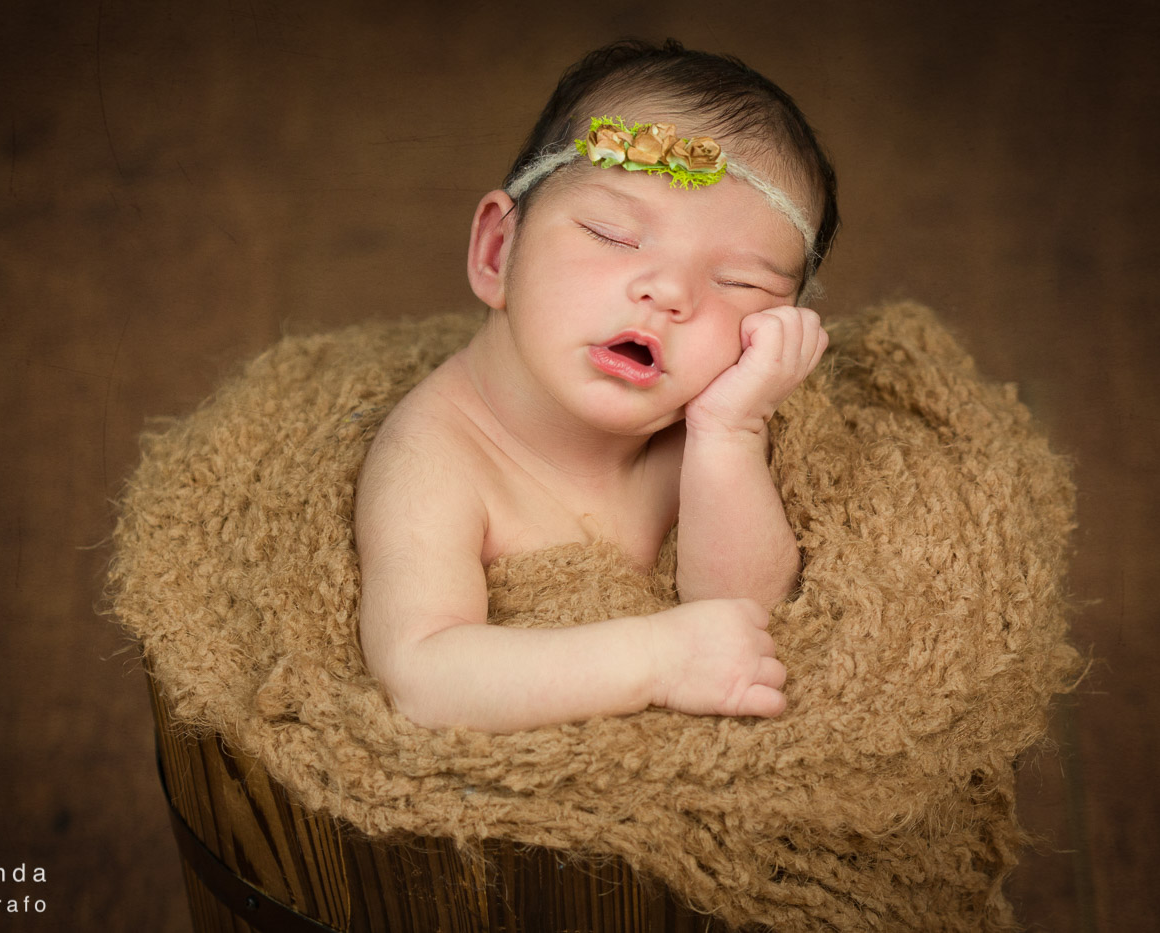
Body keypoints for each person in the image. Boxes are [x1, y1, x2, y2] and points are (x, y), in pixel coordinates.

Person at [354, 39, 839, 733]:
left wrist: (731, 432)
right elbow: (423, 673)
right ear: (499, 252)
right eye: (613, 235)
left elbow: (748, 615)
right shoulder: (436, 457)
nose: (668, 291)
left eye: (740, 282)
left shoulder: (700, 426)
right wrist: (656, 659)